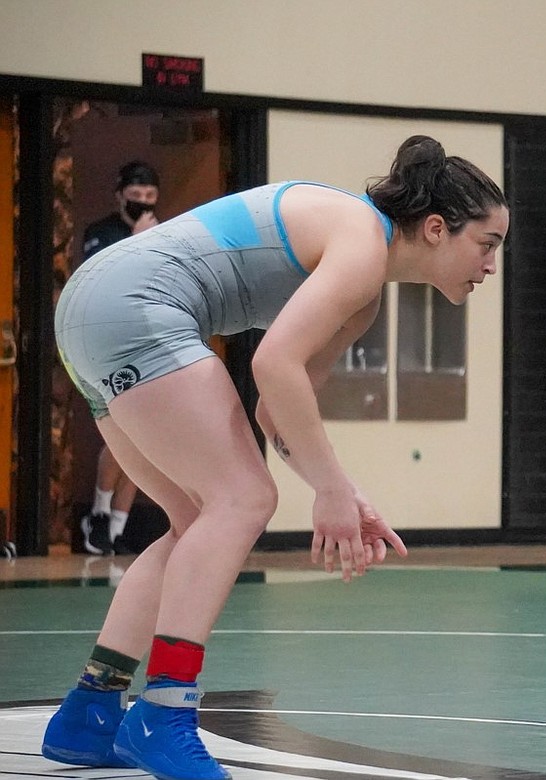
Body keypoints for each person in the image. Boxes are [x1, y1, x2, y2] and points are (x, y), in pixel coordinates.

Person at [42, 135, 509, 780]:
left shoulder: (362, 289)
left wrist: (341, 489)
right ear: (436, 229)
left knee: (195, 519)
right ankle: (164, 712)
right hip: (134, 307)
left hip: (90, 308)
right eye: (487, 245)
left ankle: (89, 710)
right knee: (245, 499)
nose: (490, 266)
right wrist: (329, 491)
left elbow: (274, 409)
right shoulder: (361, 244)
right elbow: (273, 364)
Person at [77, 160, 161, 555]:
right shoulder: (102, 233)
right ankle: (97, 513)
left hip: (150, 344)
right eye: (135, 197)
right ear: (119, 197)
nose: (142, 205)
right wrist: (137, 241)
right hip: (107, 342)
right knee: (121, 431)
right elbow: (101, 279)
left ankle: (118, 529)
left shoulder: (164, 232)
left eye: (149, 197)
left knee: (145, 439)